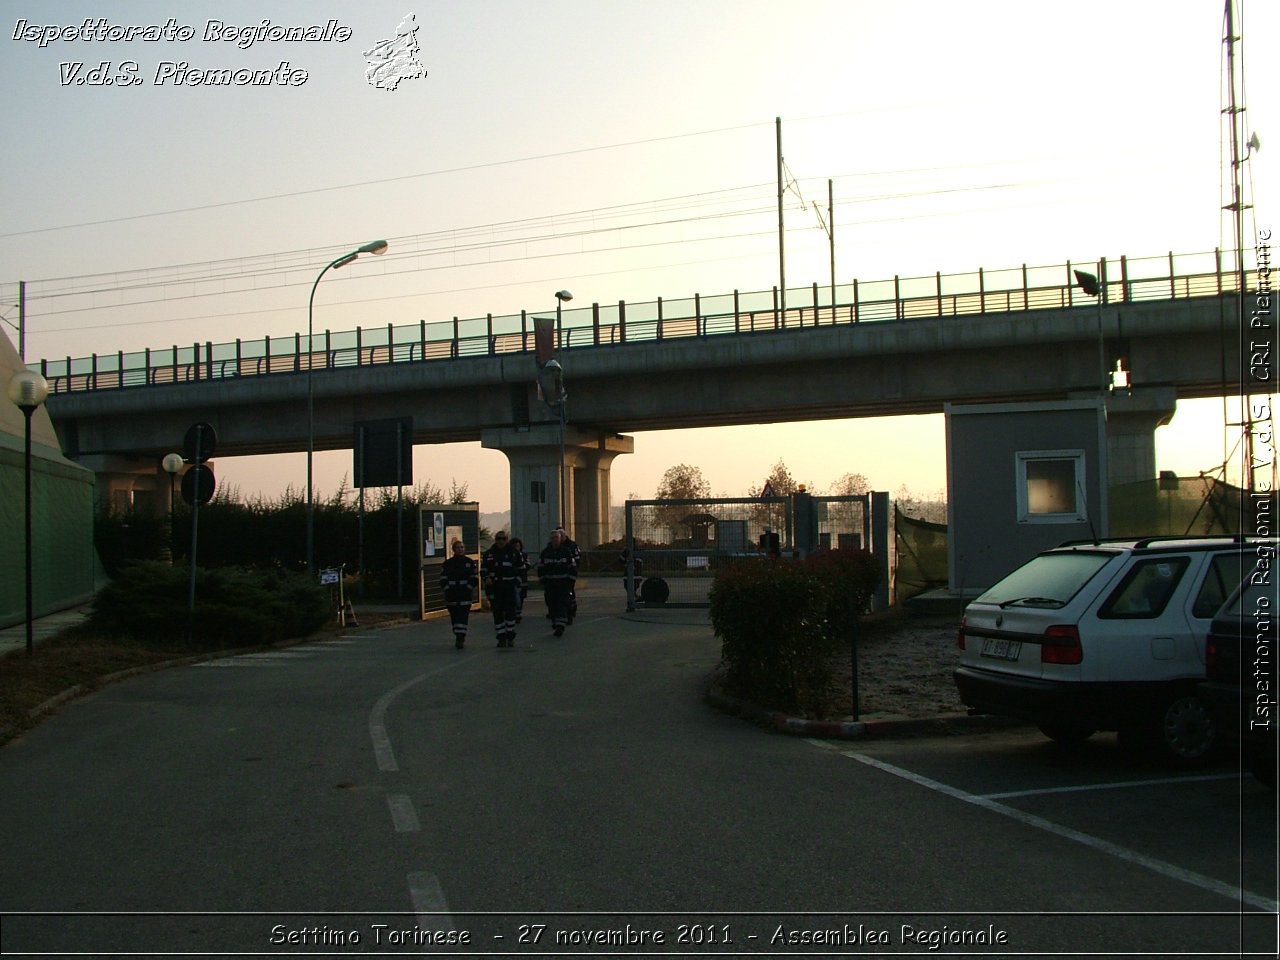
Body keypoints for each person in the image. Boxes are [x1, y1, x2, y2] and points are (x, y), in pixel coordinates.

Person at [481, 531, 525, 648]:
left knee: (510, 612)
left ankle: (510, 635)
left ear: (507, 540)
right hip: (495, 588)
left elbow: (521, 569)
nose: (501, 541)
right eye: (498, 538)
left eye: (503, 539)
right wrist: (486, 578)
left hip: (509, 587)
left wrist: (517, 582)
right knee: (497, 613)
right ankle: (501, 637)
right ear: (495, 540)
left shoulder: (514, 553)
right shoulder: (489, 554)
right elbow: (483, 569)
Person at [538, 528, 578, 637]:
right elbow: (541, 568)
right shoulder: (545, 553)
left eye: (556, 538)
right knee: (552, 604)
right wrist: (543, 580)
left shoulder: (566, 552)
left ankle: (560, 625)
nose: (554, 540)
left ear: (560, 539)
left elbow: (573, 568)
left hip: (563, 584)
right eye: (552, 538)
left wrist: (571, 581)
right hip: (550, 585)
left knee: (562, 605)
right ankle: (556, 622)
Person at [439, 539, 478, 649]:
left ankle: (461, 637)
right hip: (452, 592)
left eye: (462, 547)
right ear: (453, 550)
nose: (460, 549)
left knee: (463, 614)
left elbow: (474, 578)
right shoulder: (448, 563)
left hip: (464, 592)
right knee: (454, 615)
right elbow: (443, 578)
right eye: (458, 548)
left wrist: (468, 588)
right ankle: (457, 632)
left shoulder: (469, 563)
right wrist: (447, 589)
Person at [509, 536, 530, 623]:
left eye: (518, 546)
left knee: (521, 598)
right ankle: (513, 614)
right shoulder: (509, 555)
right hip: (512, 579)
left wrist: (521, 567)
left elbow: (527, 565)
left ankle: (518, 614)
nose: (516, 548)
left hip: (522, 579)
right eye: (514, 546)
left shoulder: (524, 555)